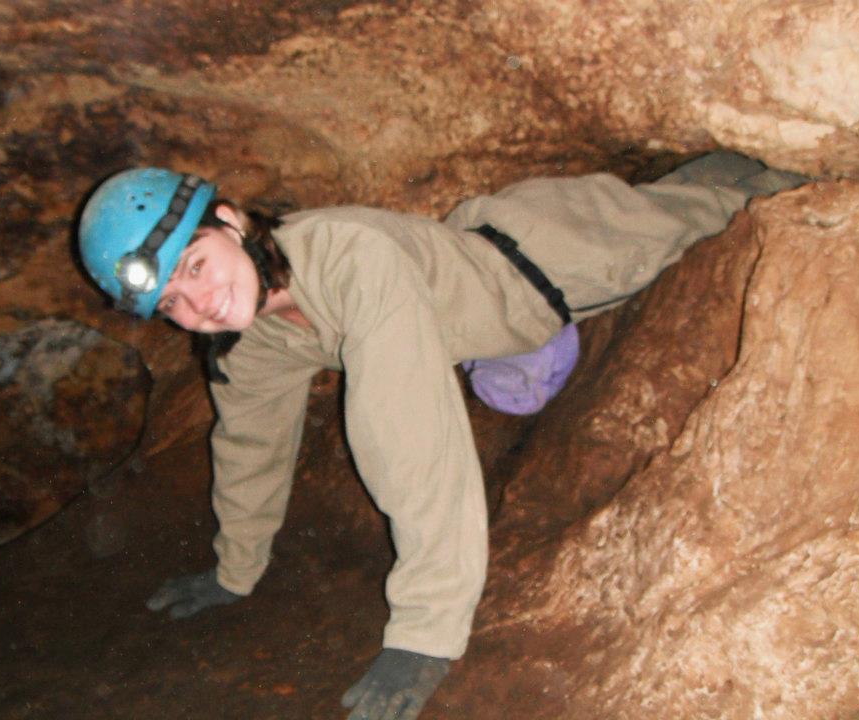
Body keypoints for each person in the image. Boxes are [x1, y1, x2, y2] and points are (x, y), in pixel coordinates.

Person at [77, 152, 805, 720]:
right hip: (479, 285)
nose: (198, 301)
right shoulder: (257, 334)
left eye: (195, 265)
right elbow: (248, 446)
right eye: (172, 300)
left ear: (232, 221)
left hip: (554, 256)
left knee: (738, 201)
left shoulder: (344, 254)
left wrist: (423, 636)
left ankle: (759, 165)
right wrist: (233, 571)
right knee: (685, 197)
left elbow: (406, 434)